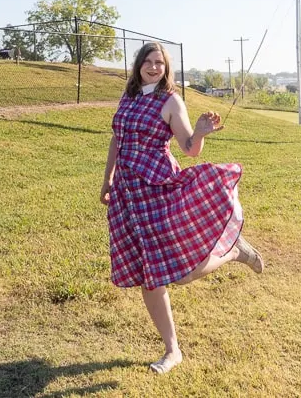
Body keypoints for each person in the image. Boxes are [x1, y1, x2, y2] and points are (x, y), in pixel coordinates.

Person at [101, 41, 265, 375]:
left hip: (159, 188)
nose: (153, 67)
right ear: (138, 66)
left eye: (159, 62)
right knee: (148, 275)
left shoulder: (171, 100)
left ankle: (234, 253)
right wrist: (108, 179)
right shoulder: (129, 97)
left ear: (166, 68)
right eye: (147, 61)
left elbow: (189, 148)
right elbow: (117, 139)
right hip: (128, 196)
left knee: (179, 270)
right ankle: (172, 350)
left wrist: (201, 132)